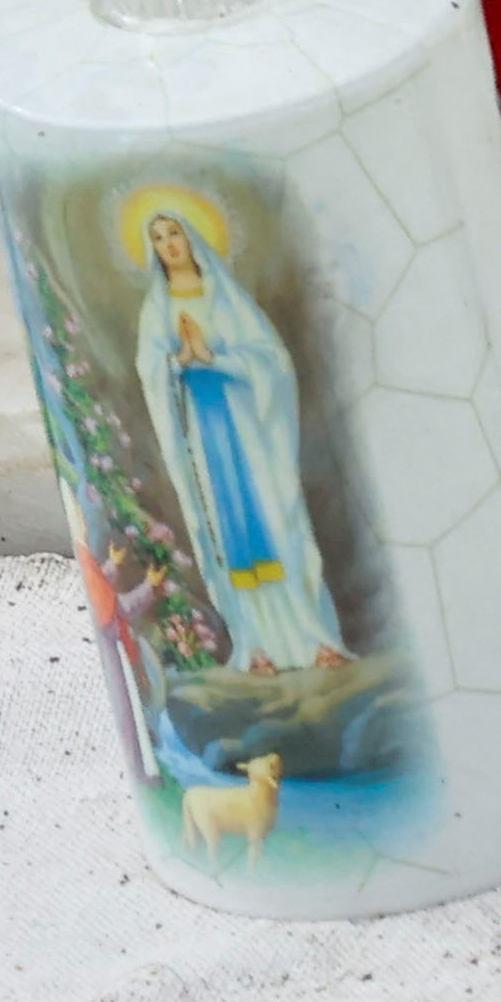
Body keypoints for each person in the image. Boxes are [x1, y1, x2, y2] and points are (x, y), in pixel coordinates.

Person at [132, 212, 348, 674]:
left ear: (192, 239)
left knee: (278, 523)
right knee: (227, 539)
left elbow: (272, 361)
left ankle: (314, 639)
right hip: (206, 439)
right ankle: (257, 647)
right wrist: (179, 360)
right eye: (157, 237)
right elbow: (152, 366)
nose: (168, 243)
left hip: (250, 431)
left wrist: (217, 359)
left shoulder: (226, 298)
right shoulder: (158, 306)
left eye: (175, 233)